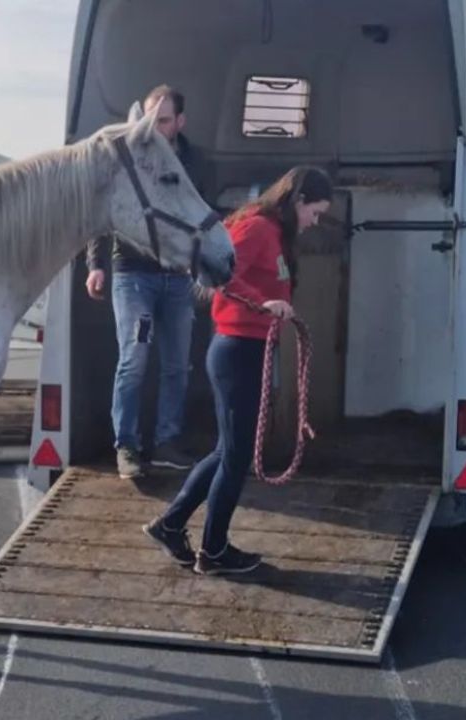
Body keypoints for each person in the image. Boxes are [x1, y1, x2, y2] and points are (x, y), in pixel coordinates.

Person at [142, 166, 333, 575]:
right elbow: (219, 274)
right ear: (298, 201)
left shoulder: (274, 233)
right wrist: (262, 304)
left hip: (247, 349)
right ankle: (212, 551)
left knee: (227, 451)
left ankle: (172, 525)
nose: (314, 222)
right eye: (314, 212)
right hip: (236, 350)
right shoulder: (258, 228)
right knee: (236, 455)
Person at [85, 84, 209, 479]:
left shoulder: (196, 164)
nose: (156, 127)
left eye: (165, 121)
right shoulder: (129, 156)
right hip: (134, 274)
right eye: (152, 119)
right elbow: (103, 208)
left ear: (180, 123)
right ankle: (127, 446)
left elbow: (201, 217)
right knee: (134, 360)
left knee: (177, 364)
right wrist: (95, 263)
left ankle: (167, 443)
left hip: (177, 279)